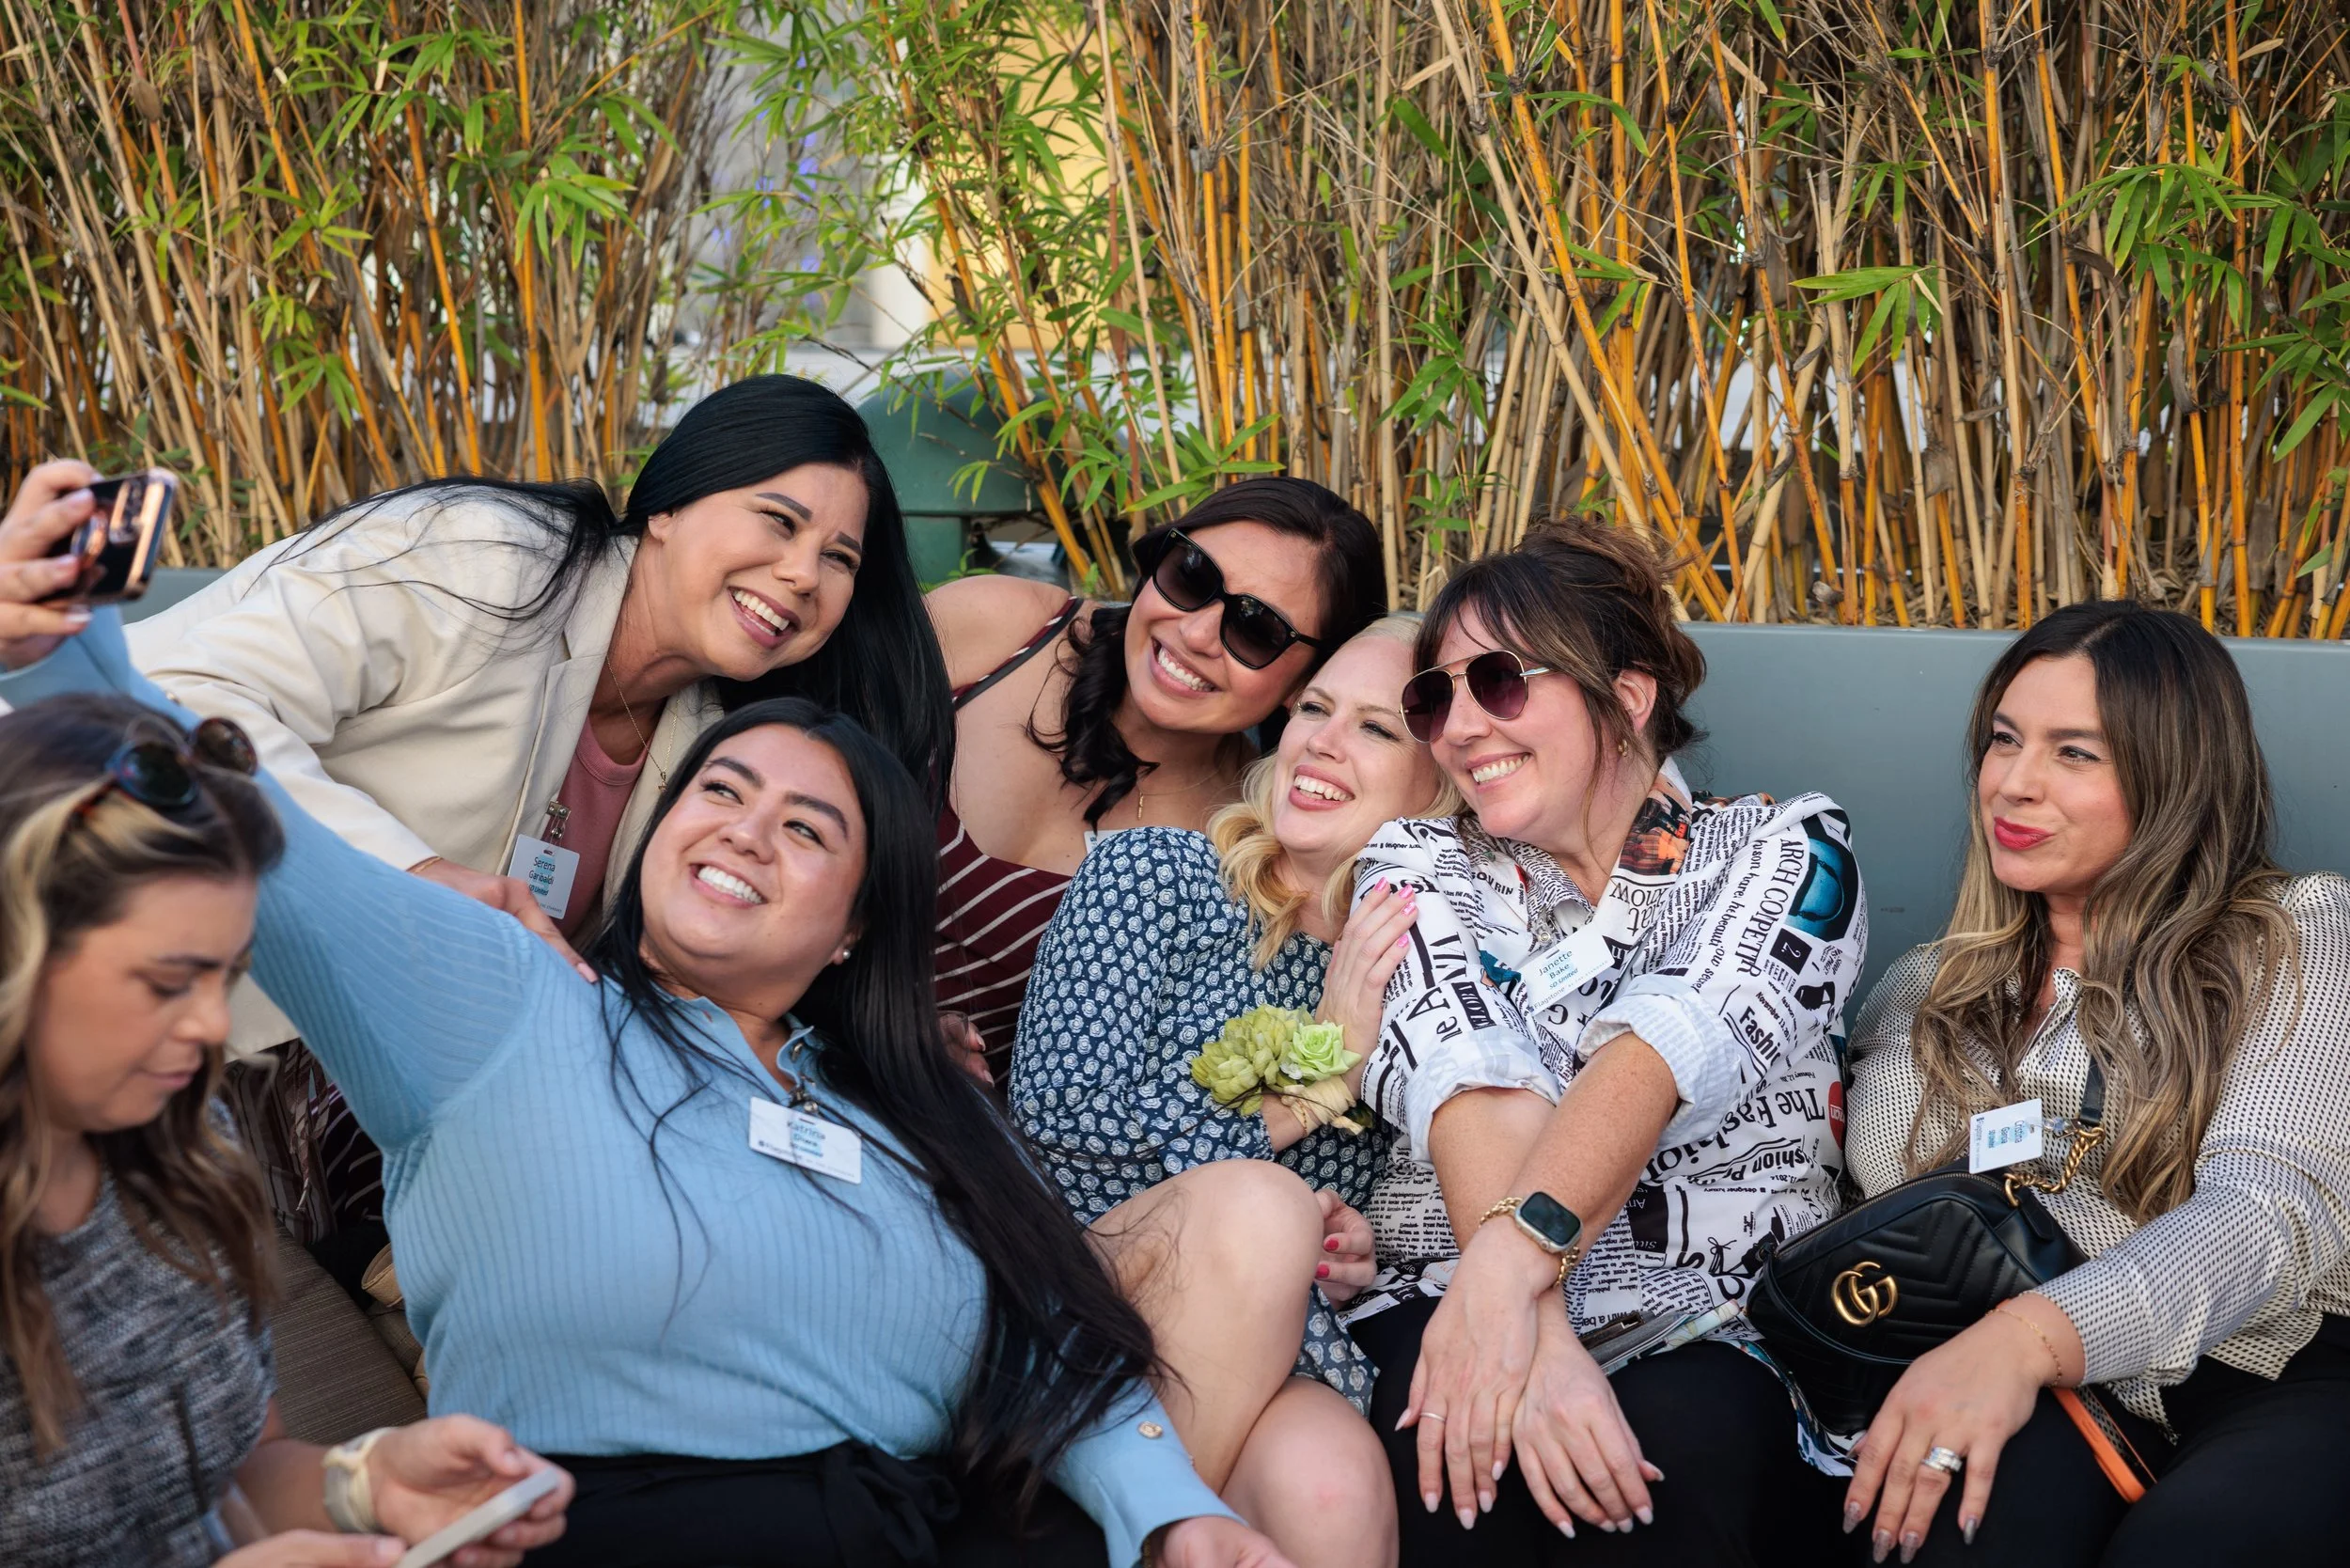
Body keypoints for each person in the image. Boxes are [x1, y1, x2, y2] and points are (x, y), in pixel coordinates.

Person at [0, 500, 1293, 1568]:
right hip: (616, 1532)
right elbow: (243, 827)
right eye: (720, 789)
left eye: (807, 829)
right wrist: (56, 646)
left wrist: (1175, 1512)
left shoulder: (916, 1110)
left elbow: (1054, 1342)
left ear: (854, 927)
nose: (742, 826)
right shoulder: (510, 1000)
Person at [39, 379, 953, 1262]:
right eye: (778, 521)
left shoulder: (718, 753)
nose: (801, 575)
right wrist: (413, 877)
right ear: (669, 505)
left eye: (840, 559)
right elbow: (177, 692)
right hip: (110, 998)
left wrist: (869, 1047)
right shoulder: (489, 558)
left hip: (334, 1131)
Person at [1343, 522, 1862, 1564]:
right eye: (1432, 697)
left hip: (1715, 1321)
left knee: (1668, 1473)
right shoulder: (1416, 860)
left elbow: (1665, 1053)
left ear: (1625, 698)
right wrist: (1532, 1338)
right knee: (1460, 1464)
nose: (1457, 728)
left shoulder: (1785, 846)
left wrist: (1509, 1283)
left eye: (1496, 681)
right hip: (1450, 1296)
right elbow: (1468, 1078)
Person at [0, 635, 573, 1560]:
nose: (208, 1031)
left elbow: (237, 1476)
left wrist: (371, 1483)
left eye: (225, 978)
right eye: (165, 980)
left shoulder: (190, 1146)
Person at [1838, 600, 2350, 1567]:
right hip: (2033, 1390)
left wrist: (2029, 1340)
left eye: (2075, 753)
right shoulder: (1925, 990)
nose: (2013, 785)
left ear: (2175, 777)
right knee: (1941, 1534)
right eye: (2002, 741)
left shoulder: (2292, 938)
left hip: (2269, 1369)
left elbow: (2270, 1209)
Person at [1012, 616, 1460, 1568]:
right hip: (1082, 1294)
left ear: (1442, 784)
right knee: (1262, 1207)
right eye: (1313, 709)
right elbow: (1055, 1121)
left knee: (1331, 1490)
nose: (1321, 743)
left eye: (1377, 729)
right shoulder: (1157, 874)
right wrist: (1310, 1090)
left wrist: (1352, 1244)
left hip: (1283, 1340)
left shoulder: (1428, 967)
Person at [928, 478, 1385, 1078]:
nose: (1195, 635)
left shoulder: (1248, 849)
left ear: (1311, 681)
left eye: (1257, 629)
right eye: (1191, 576)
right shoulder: (1002, 631)